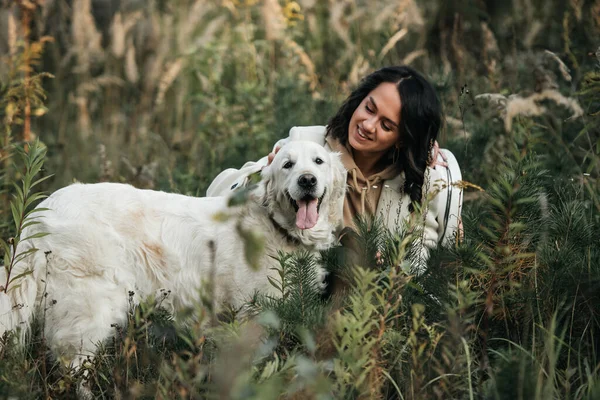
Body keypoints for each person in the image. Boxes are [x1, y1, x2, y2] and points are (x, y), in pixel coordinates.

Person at [207, 66, 462, 274]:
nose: (368, 125)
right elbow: (216, 197)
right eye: (369, 108)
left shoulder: (415, 179)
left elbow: (421, 250)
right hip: (301, 295)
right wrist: (261, 174)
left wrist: (396, 267)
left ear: (402, 138)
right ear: (359, 100)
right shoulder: (304, 144)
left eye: (386, 125)